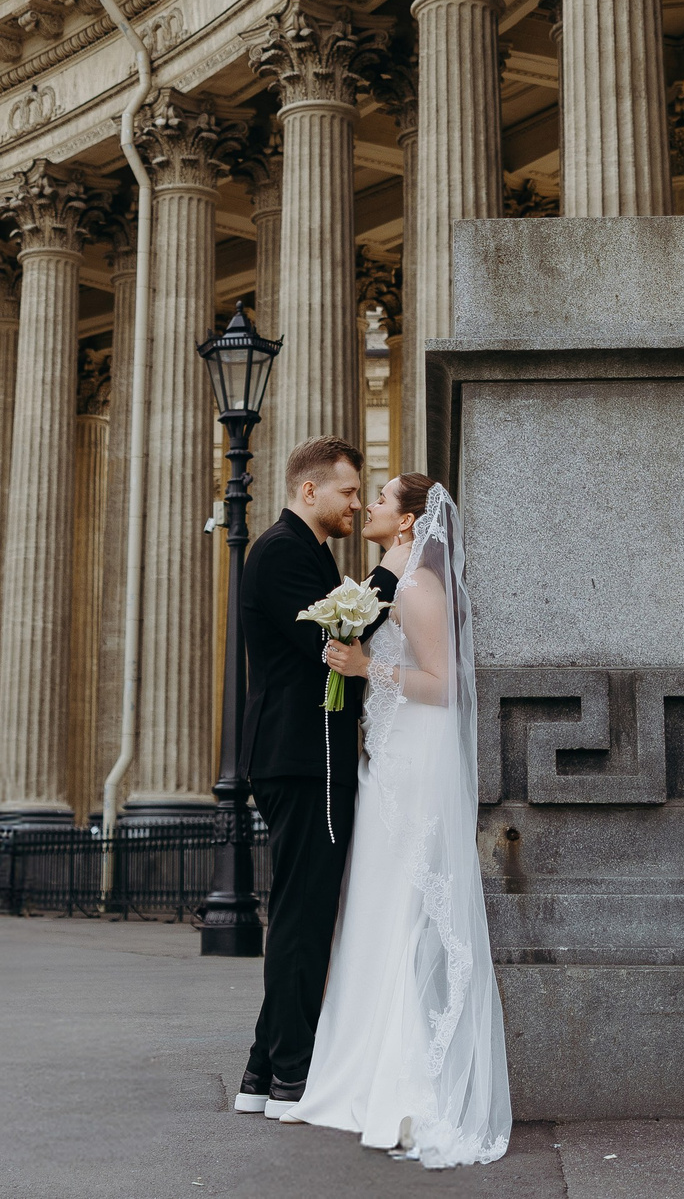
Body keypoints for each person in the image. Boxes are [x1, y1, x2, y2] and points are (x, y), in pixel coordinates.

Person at [280, 472, 509, 1166]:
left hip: (414, 767)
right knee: (378, 914)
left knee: (400, 913)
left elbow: (442, 687)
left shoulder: (418, 590)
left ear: (407, 523)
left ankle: (400, 1082)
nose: (370, 506)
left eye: (380, 498)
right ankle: (356, 1071)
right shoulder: (397, 584)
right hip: (389, 763)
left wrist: (362, 668)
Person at [232, 436, 398, 1119]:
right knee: (303, 917)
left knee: (303, 912)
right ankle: (292, 1078)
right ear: (309, 491)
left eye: (363, 495)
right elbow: (335, 641)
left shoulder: (307, 552)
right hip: (303, 760)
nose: (357, 505)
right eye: (348, 493)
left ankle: (260, 1071)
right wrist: (393, 570)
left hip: (306, 756)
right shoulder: (279, 551)